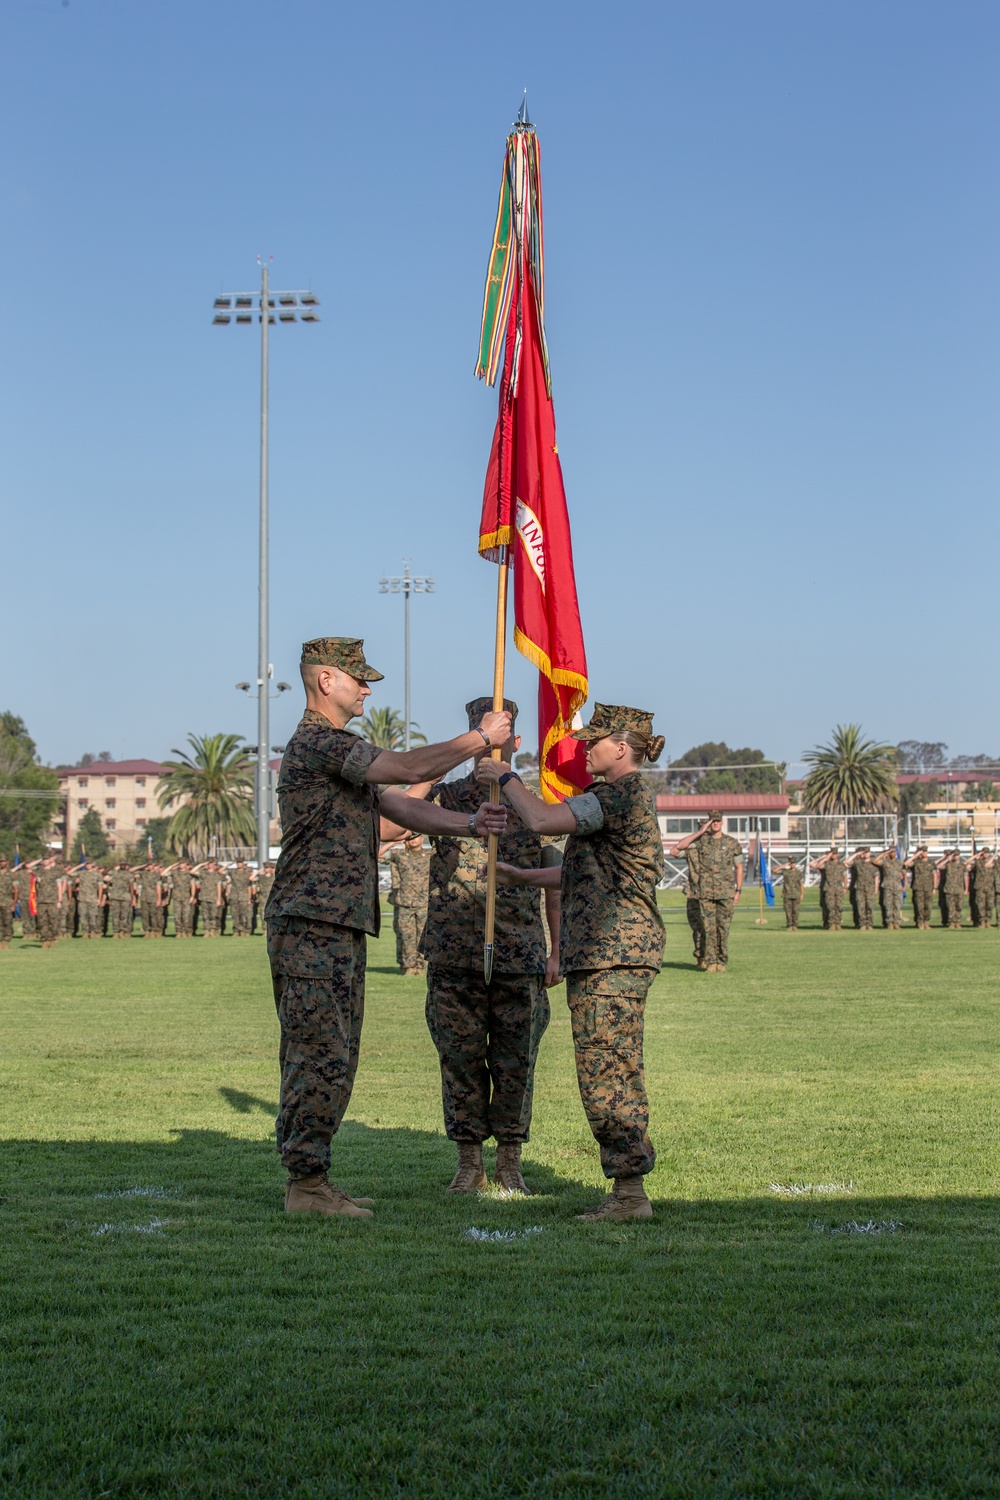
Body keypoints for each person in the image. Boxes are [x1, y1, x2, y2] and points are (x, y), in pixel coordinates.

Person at [265, 637, 510, 1219]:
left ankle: (316, 1178)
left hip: (335, 922)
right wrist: (480, 739)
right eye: (358, 679)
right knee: (317, 1051)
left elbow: (398, 808)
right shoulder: (320, 741)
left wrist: (469, 822)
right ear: (327, 681)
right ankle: (305, 1186)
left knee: (337, 1053)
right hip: (312, 921)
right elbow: (405, 768)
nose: (367, 689)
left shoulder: (339, 753)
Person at [477, 701, 666, 1223]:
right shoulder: (616, 799)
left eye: (596, 741)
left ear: (621, 749)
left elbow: (538, 820)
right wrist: (522, 878)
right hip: (609, 955)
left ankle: (630, 1194)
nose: (585, 748)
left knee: (608, 1069)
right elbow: (578, 876)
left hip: (613, 954)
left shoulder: (618, 794)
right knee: (607, 1065)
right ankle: (627, 1189)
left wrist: (505, 776)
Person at [414, 698, 560, 1195]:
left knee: (516, 1060)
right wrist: (459, 756)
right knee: (459, 1058)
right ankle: (468, 1160)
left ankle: (511, 1159)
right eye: (485, 732)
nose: (497, 741)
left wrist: (557, 951)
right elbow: (395, 816)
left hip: (520, 953)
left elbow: (554, 887)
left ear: (516, 741)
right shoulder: (447, 796)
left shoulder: (533, 804)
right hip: (455, 953)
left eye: (503, 734)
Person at [672, 812, 743, 972]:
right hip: (702, 893)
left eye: (717, 821)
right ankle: (708, 960)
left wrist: (738, 890)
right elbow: (676, 850)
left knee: (723, 929)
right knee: (705, 929)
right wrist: (699, 833)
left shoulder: (731, 843)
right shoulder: (700, 843)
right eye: (712, 821)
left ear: (722, 822)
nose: (714, 824)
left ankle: (721, 961)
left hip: (725, 892)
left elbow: (739, 866)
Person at [386, 834, 431, 976]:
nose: (413, 840)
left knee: (422, 936)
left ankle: (421, 966)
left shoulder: (430, 855)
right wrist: (393, 842)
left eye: (416, 836)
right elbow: (378, 855)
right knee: (407, 936)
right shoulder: (400, 855)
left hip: (424, 902)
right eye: (411, 837)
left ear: (422, 839)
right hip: (405, 901)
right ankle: (409, 966)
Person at [668, 836, 706, 968]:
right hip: (694, 893)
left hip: (711, 893)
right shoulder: (691, 850)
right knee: (697, 927)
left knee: (712, 928)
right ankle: (701, 957)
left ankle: (713, 959)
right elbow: (674, 852)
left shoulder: (717, 849)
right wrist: (696, 836)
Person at [811, 847, 846, 930]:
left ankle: (838, 923)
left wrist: (845, 887)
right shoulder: (826, 864)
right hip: (829, 888)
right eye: (832, 854)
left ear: (837, 854)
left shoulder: (841, 865)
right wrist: (825, 857)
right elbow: (816, 865)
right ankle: (831, 924)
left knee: (839, 906)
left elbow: (845, 876)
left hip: (838, 888)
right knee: (830, 907)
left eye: (835, 853)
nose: (833, 855)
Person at [34, 854, 65, 949]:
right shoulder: (39, 872)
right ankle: (44, 940)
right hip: (42, 900)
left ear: (50, 860)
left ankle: (52, 939)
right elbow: (36, 887)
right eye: (44, 859)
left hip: (53, 900)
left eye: (46, 859)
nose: (45, 861)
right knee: (42, 922)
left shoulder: (55, 873)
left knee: (53, 921)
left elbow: (59, 886)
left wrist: (59, 900)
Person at [904, 845, 936, 929]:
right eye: (922, 852)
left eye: (925, 852)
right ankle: (920, 922)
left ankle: (926, 921)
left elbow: (934, 875)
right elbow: (906, 864)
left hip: (928, 887)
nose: (923, 854)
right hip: (918, 887)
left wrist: (934, 887)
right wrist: (915, 856)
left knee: (928, 906)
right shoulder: (916, 862)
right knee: (919, 906)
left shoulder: (931, 862)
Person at [872, 846, 904, 929]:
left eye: (894, 852)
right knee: (888, 905)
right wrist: (884, 854)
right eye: (891, 852)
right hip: (888, 886)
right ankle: (889, 922)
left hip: (897, 886)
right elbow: (875, 861)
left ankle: (896, 922)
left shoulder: (899, 862)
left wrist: (905, 883)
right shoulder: (885, 862)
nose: (892, 853)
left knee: (897, 905)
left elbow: (903, 872)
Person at [848, 847, 877, 931]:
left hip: (870, 888)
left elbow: (876, 877)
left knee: (870, 907)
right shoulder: (858, 863)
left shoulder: (873, 863)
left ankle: (870, 924)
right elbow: (847, 862)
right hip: (860, 888)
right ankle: (862, 924)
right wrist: (856, 854)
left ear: (870, 853)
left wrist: (876, 888)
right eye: (864, 853)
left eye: (867, 852)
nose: (865, 854)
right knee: (861, 907)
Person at [936, 850, 966, 929]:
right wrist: (947, 859)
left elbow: (965, 877)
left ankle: (958, 922)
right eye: (954, 855)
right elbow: (938, 866)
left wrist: (966, 889)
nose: (956, 857)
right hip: (950, 889)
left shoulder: (962, 865)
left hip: (959, 889)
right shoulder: (948, 865)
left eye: (957, 855)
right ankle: (952, 922)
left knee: (959, 906)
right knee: (951, 907)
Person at [165, 860, 194, 938]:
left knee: (186, 915)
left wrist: (193, 896)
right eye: (180, 863)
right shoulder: (174, 873)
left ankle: (185, 931)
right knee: (177, 915)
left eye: (183, 863)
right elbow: (163, 873)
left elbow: (192, 885)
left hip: (186, 896)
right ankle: (178, 931)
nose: (181, 865)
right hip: (177, 896)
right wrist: (173, 865)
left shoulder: (189, 873)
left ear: (186, 864)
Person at [76, 860, 105, 939]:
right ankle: (85, 932)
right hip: (82, 898)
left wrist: (99, 898)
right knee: (83, 917)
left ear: (93, 864)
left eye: (89, 864)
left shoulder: (97, 875)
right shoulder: (82, 873)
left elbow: (100, 888)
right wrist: (80, 865)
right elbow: (69, 873)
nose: (87, 865)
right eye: (86, 864)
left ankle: (92, 932)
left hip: (92, 898)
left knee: (92, 917)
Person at [107, 861, 135, 938]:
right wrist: (112, 865)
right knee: (115, 915)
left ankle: (123, 931)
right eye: (121, 864)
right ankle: (116, 932)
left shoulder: (129, 874)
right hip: (115, 897)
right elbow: (104, 872)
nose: (123, 866)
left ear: (126, 866)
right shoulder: (114, 873)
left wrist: (132, 898)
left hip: (125, 897)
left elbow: (131, 887)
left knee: (124, 916)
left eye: (124, 865)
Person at [967, 849, 994, 928]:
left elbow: (988, 865)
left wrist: (994, 856)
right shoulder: (978, 862)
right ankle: (982, 921)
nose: (986, 854)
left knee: (989, 905)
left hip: (989, 886)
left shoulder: (992, 862)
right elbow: (967, 862)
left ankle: (988, 921)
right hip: (980, 886)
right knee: (980, 905)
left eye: (987, 853)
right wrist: (976, 856)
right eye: (984, 853)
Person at [228, 858, 254, 937]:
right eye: (238, 863)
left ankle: (243, 930)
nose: (239, 864)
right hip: (234, 896)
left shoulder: (247, 873)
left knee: (243, 914)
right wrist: (228, 864)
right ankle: (236, 930)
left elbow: (249, 885)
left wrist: (249, 898)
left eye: (240, 863)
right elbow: (220, 871)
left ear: (243, 863)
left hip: (244, 896)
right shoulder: (232, 872)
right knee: (235, 914)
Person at [779, 855, 804, 930]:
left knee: (796, 911)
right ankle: (789, 925)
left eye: (794, 863)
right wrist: (783, 865)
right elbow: (775, 871)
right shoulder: (786, 872)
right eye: (791, 863)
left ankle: (795, 925)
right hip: (787, 894)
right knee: (788, 911)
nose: (792, 864)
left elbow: (801, 884)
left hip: (796, 893)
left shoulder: (799, 873)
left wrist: (802, 894)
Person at [138, 863, 162, 938]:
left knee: (153, 915)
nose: (149, 866)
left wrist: (159, 899)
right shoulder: (143, 873)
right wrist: (142, 866)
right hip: (144, 897)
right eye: (148, 865)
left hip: (153, 897)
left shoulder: (156, 875)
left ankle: (153, 931)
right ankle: (147, 931)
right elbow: (131, 870)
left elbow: (158, 887)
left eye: (151, 865)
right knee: (145, 915)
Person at [253, 862, 275, 935]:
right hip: (262, 898)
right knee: (263, 914)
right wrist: (260, 870)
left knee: (272, 914)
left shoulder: (274, 877)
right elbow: (251, 878)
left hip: (272, 899)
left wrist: (273, 870)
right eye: (265, 868)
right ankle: (265, 930)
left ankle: (272, 930)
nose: (266, 869)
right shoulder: (261, 877)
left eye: (268, 867)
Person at [0, 857, 15, 947]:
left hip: (7, 902)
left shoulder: (11, 875)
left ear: (7, 862)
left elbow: (16, 890)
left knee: (7, 922)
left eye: (3, 861)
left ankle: (7, 940)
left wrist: (14, 903)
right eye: (0, 861)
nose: (1, 863)